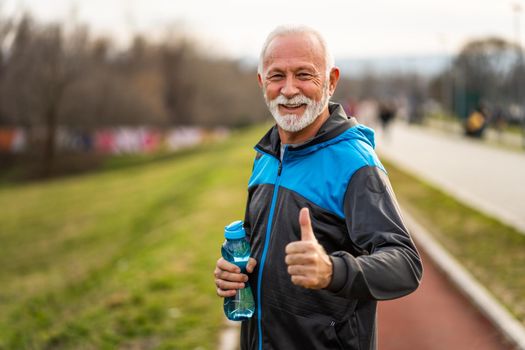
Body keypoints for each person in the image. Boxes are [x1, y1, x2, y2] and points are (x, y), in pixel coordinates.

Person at [214, 25, 423, 350]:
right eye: (276, 76)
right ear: (261, 83)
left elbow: (405, 263)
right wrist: (236, 271)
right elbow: (259, 250)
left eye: (304, 75)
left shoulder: (354, 163)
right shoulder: (266, 155)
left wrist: (332, 270)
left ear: (331, 81)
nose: (288, 89)